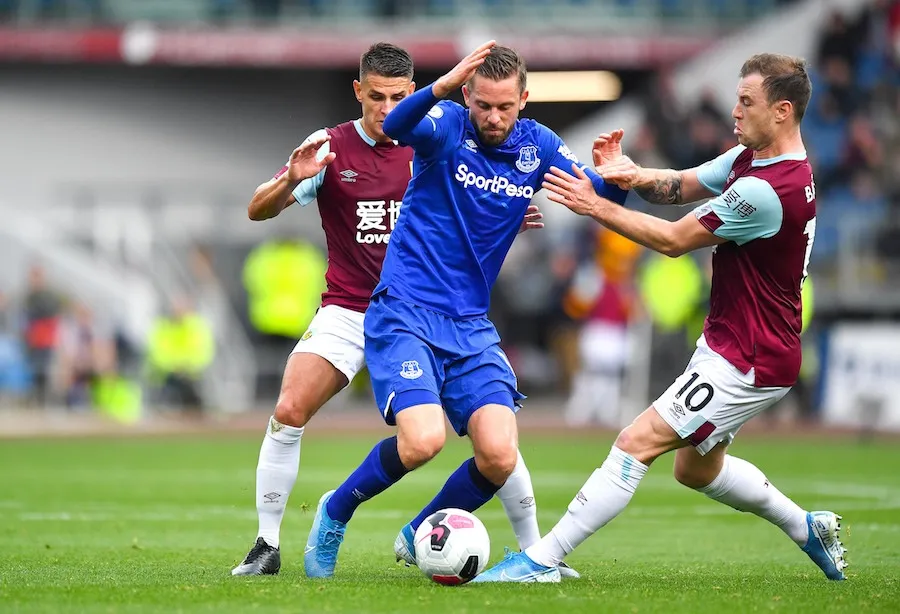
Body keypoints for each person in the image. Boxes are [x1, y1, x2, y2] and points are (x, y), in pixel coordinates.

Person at [474, 53, 848, 583]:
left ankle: (541, 559)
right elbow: (681, 183)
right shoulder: (753, 160)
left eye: (746, 102)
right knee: (696, 469)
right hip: (735, 344)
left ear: (783, 111)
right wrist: (630, 174)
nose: (734, 112)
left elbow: (674, 240)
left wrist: (596, 206)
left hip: (750, 357)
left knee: (635, 442)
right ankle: (808, 529)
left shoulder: (768, 189)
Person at [303, 41, 628, 580]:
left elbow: (599, 199)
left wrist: (616, 180)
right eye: (483, 105)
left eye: (505, 106)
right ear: (469, 97)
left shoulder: (540, 146)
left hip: (471, 326)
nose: (493, 117)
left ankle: (419, 532)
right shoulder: (446, 125)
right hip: (405, 311)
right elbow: (399, 126)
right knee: (423, 440)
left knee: (499, 456)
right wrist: (445, 84)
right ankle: (335, 510)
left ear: (524, 100)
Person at [232, 42, 545, 576]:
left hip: (430, 311)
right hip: (352, 310)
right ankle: (266, 544)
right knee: (289, 409)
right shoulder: (329, 147)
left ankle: (537, 550)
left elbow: (476, 205)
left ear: (413, 91)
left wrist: (503, 217)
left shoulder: (436, 134)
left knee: (495, 430)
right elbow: (257, 209)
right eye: (375, 96)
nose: (386, 107)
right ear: (358, 92)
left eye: (398, 96)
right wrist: (290, 177)